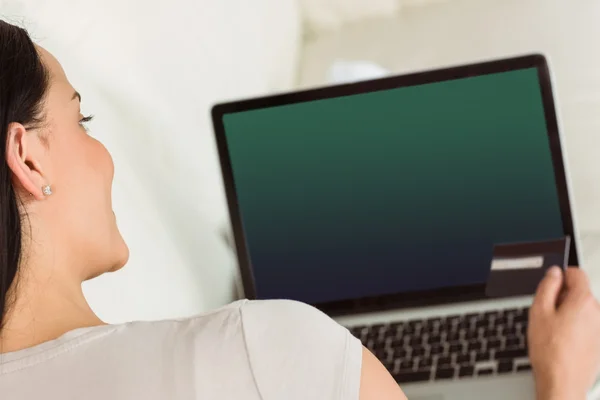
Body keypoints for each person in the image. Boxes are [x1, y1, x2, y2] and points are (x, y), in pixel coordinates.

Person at [0, 20, 599, 400]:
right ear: (28, 159)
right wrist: (562, 384)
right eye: (82, 120)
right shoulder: (263, 346)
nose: (102, 154)